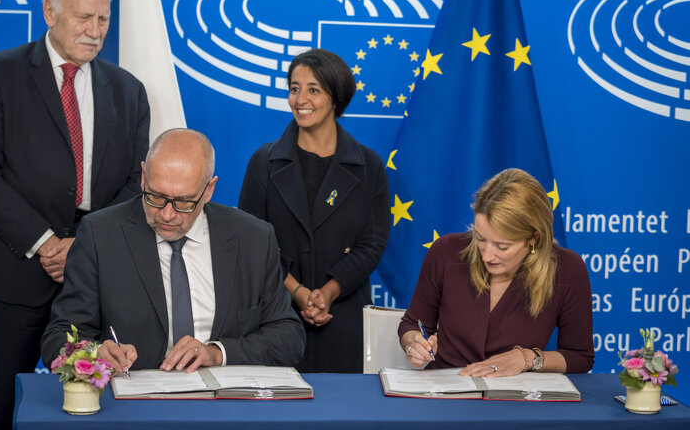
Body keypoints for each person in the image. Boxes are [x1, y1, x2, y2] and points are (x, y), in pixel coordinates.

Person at [0, 0, 150, 429]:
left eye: (103, 19)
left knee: (95, 408)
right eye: (84, 17)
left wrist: (83, 246)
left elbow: (133, 182)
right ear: (50, 12)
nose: (95, 30)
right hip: (11, 272)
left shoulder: (128, 91)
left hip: (91, 275)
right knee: (5, 402)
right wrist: (46, 242)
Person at [41, 128, 305, 373]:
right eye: (155, 197)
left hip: (225, 407)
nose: (167, 214)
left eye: (183, 202)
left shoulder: (253, 238)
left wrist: (217, 353)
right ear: (143, 177)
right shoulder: (100, 234)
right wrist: (95, 352)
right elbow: (58, 337)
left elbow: (288, 337)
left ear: (209, 190)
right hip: (135, 407)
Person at [238, 48, 391, 373]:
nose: (300, 99)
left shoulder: (369, 165)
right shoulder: (263, 162)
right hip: (275, 315)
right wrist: (297, 291)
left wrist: (328, 292)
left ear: (336, 98)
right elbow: (250, 244)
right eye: (294, 88)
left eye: (313, 89)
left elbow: (372, 244)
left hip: (344, 317)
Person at [399, 168, 594, 376]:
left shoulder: (568, 269)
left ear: (533, 239)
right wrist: (413, 343)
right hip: (444, 394)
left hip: (516, 400)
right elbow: (412, 324)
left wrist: (528, 358)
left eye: (502, 246)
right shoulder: (445, 252)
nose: (487, 256)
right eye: (480, 238)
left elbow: (580, 356)